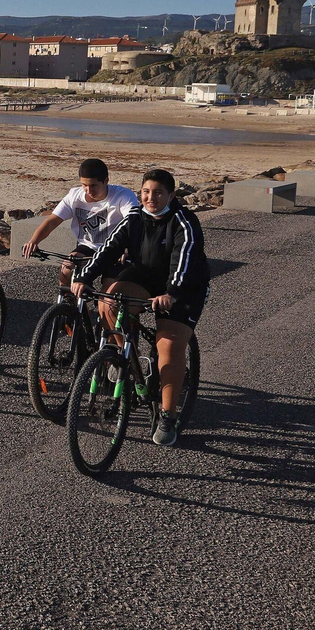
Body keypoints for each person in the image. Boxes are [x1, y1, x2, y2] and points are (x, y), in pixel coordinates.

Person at [72, 168, 209, 447]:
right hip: (144, 277)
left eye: (158, 192)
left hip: (183, 288)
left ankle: (168, 415)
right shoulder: (134, 218)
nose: (151, 197)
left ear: (171, 195)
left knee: (168, 348)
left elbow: (183, 261)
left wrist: (171, 293)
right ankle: (124, 359)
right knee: (108, 301)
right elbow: (108, 249)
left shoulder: (184, 221)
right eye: (146, 192)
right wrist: (84, 277)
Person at [19, 158, 139, 291]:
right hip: (88, 247)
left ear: (106, 181)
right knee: (66, 270)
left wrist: (129, 249)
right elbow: (52, 221)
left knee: (109, 290)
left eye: (93, 185)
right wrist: (33, 241)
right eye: (84, 185)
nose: (88, 190)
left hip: (114, 250)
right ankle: (70, 309)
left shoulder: (123, 195)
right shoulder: (74, 196)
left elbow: (134, 223)